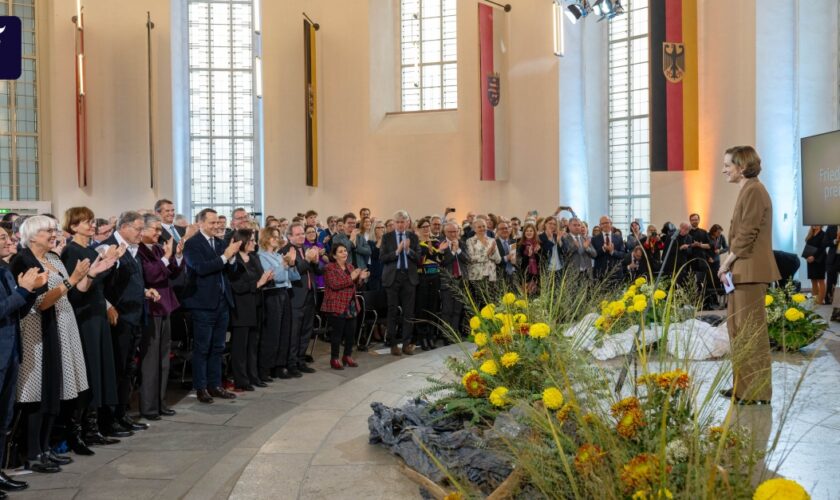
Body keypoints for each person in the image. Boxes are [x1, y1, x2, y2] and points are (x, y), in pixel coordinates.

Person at [12, 216, 110, 472]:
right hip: (38, 329)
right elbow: (40, 302)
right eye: (48, 230)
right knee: (38, 393)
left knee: (55, 390)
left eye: (54, 229)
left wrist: (89, 275)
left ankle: (46, 449)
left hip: (62, 324)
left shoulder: (54, 259)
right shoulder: (23, 260)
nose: (54, 234)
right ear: (32, 236)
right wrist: (72, 279)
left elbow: (76, 291)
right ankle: (33, 452)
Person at [718, 145, 780, 405]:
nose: (724, 170)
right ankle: (742, 389)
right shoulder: (749, 189)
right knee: (738, 331)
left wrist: (725, 263)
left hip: (750, 271)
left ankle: (756, 392)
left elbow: (746, 234)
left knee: (750, 333)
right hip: (742, 271)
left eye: (727, 165)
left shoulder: (754, 190)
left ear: (741, 167)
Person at [60, 208, 125, 450]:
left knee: (98, 370)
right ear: (73, 226)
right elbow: (75, 289)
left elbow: (100, 284)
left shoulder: (89, 250)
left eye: (91, 221)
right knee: (86, 372)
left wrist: (111, 263)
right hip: (82, 315)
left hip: (96, 311)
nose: (91, 225)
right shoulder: (71, 251)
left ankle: (93, 427)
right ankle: (77, 431)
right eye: (85, 222)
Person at [101, 212, 155, 434]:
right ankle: (108, 420)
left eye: (143, 229)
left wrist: (144, 291)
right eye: (137, 228)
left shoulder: (133, 248)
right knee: (116, 369)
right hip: (118, 319)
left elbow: (130, 281)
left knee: (128, 370)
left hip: (135, 316)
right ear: (122, 227)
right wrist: (107, 306)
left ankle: (122, 414)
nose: (141, 233)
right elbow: (100, 284)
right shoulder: (107, 247)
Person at [182, 209, 240, 404]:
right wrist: (225, 257)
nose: (217, 226)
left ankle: (215, 385)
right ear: (200, 224)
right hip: (202, 304)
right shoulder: (192, 244)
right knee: (202, 348)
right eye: (212, 223)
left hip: (222, 302)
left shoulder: (221, 243)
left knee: (218, 347)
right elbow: (200, 268)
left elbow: (230, 270)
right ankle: (201, 387)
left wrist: (231, 258)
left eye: (218, 222)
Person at [0, 252, 45, 491]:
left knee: (3, 419)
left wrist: (30, 290)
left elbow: (18, 310)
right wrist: (22, 291)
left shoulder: (4, 270)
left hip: (11, 352)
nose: (9, 242)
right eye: (2, 237)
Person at [136, 214, 184, 419]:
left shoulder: (156, 249)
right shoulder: (138, 250)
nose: (158, 233)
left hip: (165, 306)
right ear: (143, 230)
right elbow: (152, 275)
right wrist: (166, 257)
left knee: (164, 359)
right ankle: (148, 407)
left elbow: (170, 273)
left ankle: (160, 401)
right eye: (155, 229)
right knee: (150, 361)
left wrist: (177, 256)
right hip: (151, 308)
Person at [227, 229, 273, 391]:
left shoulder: (253, 258)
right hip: (241, 308)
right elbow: (237, 286)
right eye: (251, 240)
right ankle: (241, 379)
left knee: (254, 344)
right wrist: (258, 283)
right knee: (240, 346)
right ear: (243, 242)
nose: (254, 243)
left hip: (256, 305)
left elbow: (260, 277)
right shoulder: (234, 260)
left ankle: (253, 376)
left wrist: (267, 279)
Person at [321, 243, 368, 370]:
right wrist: (351, 277)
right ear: (334, 255)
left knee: (350, 333)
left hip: (351, 304)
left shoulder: (350, 266)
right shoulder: (329, 268)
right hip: (337, 304)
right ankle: (334, 359)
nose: (345, 253)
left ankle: (347, 356)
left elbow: (355, 286)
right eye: (341, 251)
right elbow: (335, 285)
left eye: (345, 251)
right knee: (337, 334)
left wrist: (361, 279)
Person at [257, 227, 295, 380]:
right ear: (265, 238)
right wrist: (285, 265)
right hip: (271, 294)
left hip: (284, 293)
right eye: (273, 236)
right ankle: (266, 367)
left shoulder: (279, 255)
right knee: (272, 332)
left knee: (284, 331)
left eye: (277, 236)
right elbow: (273, 276)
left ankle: (280, 365)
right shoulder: (261, 256)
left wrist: (291, 263)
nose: (275, 239)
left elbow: (292, 276)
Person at [380, 210, 420, 356]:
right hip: (393, 277)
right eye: (397, 222)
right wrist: (397, 252)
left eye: (403, 222)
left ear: (407, 222)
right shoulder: (387, 237)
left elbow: (418, 258)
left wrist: (408, 250)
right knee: (392, 311)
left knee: (409, 312)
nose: (400, 224)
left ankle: (406, 344)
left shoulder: (413, 237)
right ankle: (393, 344)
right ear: (394, 222)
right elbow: (382, 258)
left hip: (409, 278)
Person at [283, 223, 321, 373]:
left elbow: (317, 271)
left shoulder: (307, 249)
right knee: (294, 332)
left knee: (306, 330)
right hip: (296, 297)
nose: (301, 236)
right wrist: (308, 261)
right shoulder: (285, 251)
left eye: (302, 233)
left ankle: (301, 360)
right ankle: (291, 363)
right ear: (290, 236)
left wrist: (316, 262)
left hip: (310, 295)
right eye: (297, 234)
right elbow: (294, 273)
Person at [415, 218, 444, 350]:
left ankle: (430, 336)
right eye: (424, 227)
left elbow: (439, 259)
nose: (426, 229)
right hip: (422, 277)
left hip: (435, 276)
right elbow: (420, 260)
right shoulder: (416, 243)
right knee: (422, 309)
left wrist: (436, 253)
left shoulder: (435, 241)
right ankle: (422, 338)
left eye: (428, 226)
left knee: (432, 308)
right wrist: (434, 253)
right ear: (419, 229)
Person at [439, 221, 469, 340]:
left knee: (458, 309)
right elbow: (442, 262)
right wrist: (452, 251)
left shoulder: (462, 243)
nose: (453, 234)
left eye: (455, 231)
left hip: (461, 280)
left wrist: (458, 250)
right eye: (450, 232)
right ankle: (447, 336)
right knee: (447, 310)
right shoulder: (441, 244)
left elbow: (467, 259)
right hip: (447, 281)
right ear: (445, 232)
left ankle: (455, 334)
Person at [465, 218, 501, 306]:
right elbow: (470, 258)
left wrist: (492, 253)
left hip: (491, 276)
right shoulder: (470, 241)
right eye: (479, 227)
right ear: (474, 229)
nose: (482, 228)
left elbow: (498, 260)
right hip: (477, 277)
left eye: (484, 226)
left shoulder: (492, 240)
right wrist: (487, 253)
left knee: (491, 303)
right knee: (479, 303)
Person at [592, 216, 626, 281]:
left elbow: (622, 255)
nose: (605, 225)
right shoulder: (594, 239)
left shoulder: (619, 238)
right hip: (600, 274)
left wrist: (612, 251)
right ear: (600, 225)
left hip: (616, 273)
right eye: (603, 223)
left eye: (607, 223)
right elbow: (593, 255)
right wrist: (603, 249)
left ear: (611, 223)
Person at [804, 225, 828, 304]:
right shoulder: (810, 233)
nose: (814, 224)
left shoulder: (823, 234)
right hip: (810, 261)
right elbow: (807, 246)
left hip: (820, 260)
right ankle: (815, 299)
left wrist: (814, 256)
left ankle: (820, 301)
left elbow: (822, 248)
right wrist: (807, 256)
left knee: (820, 280)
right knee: (813, 280)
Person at [517, 223, 542, 294]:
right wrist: (528, 255)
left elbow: (541, 261)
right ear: (524, 233)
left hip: (536, 274)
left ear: (534, 232)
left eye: (531, 231)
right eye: (527, 231)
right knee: (526, 295)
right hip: (524, 274)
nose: (529, 232)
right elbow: (519, 262)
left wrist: (537, 253)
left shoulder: (538, 244)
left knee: (535, 295)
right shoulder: (520, 245)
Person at [303, 225, 328, 289]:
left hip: (322, 271)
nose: (311, 233)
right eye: (309, 232)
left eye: (313, 232)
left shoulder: (320, 244)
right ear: (305, 234)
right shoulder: (304, 246)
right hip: (312, 273)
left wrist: (321, 255)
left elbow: (328, 261)